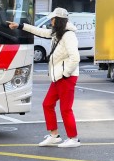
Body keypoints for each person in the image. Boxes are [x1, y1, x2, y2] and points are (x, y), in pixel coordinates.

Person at [10, 8, 81, 148]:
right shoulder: (57, 33)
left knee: (65, 109)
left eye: (53, 19)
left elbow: (75, 58)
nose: (51, 21)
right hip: (58, 77)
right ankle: (54, 135)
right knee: (47, 104)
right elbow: (40, 32)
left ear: (59, 20)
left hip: (66, 78)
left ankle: (73, 138)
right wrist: (20, 26)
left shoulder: (69, 35)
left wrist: (65, 74)